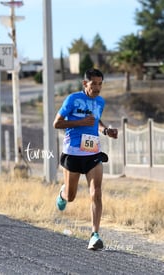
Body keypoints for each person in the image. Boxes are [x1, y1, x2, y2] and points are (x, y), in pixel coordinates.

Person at [53, 68, 118, 250]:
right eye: (93, 84)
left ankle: (94, 235)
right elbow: (56, 123)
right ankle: (63, 193)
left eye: (100, 84)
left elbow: (96, 121)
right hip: (73, 153)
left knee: (96, 192)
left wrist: (106, 131)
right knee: (71, 196)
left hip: (92, 153)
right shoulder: (72, 99)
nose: (97, 88)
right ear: (85, 83)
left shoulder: (100, 101)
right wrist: (79, 123)